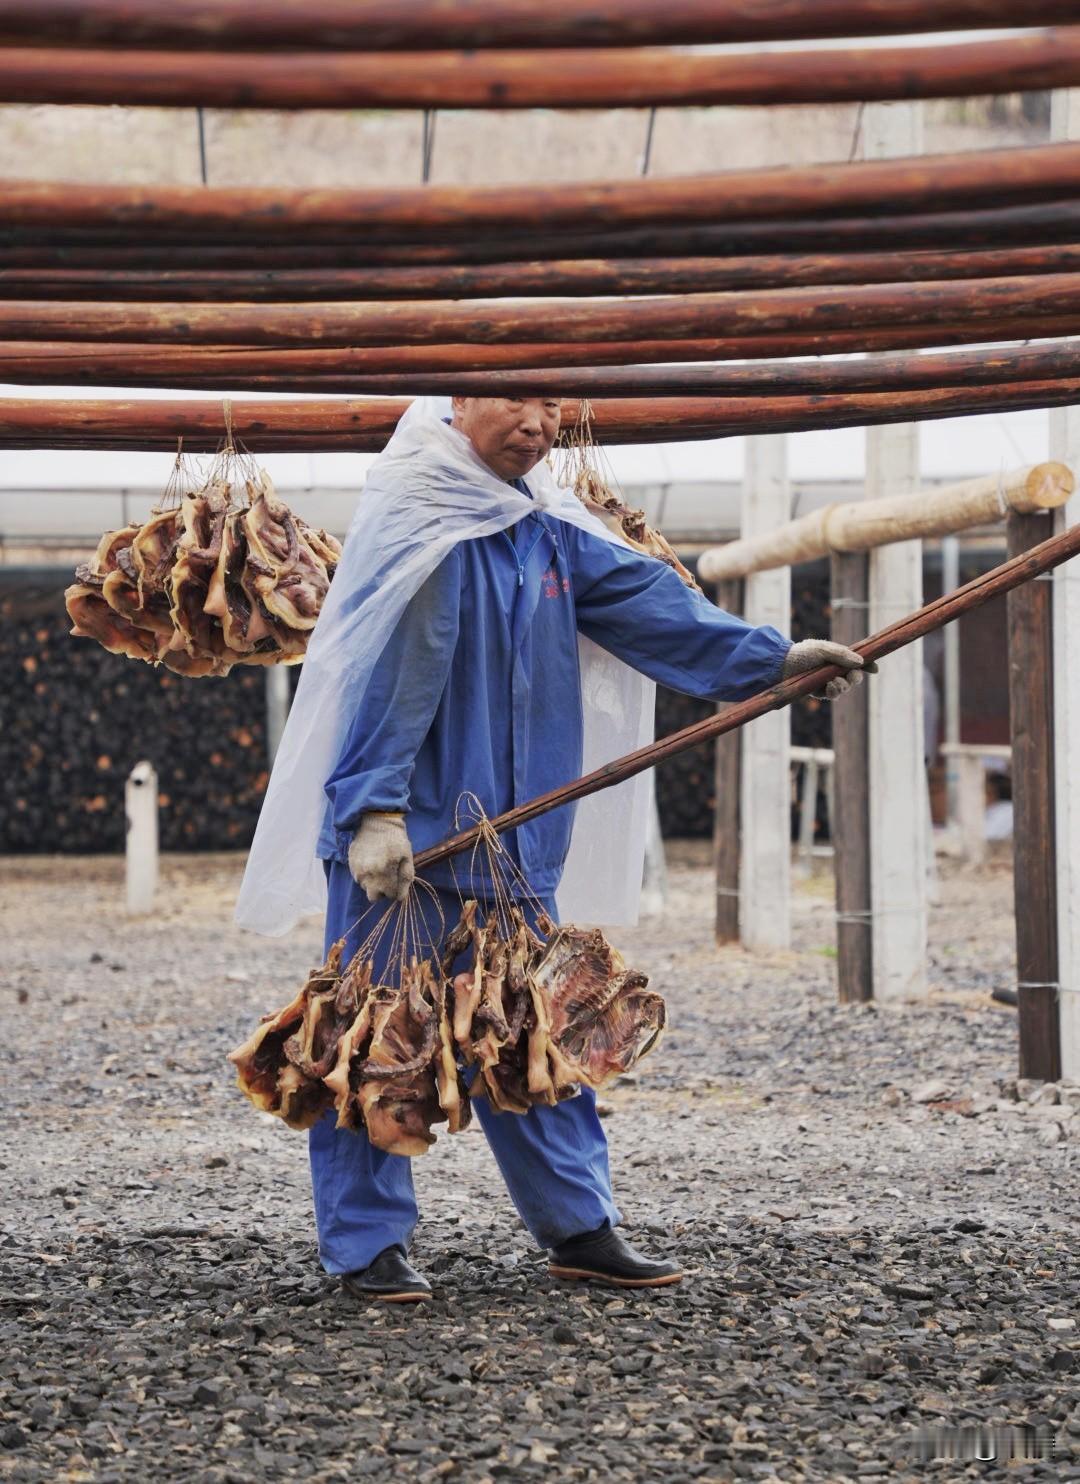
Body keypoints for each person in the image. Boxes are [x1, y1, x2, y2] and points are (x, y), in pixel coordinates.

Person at [309, 396, 866, 1302]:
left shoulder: (543, 528)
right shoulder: (420, 513)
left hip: (518, 837)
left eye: (550, 403)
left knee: (534, 1030)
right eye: (512, 397)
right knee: (381, 1037)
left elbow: (650, 606)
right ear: (459, 402)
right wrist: (370, 809)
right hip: (410, 840)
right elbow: (388, 666)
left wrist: (773, 660)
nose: (535, 421)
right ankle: (366, 1244)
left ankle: (579, 1228)